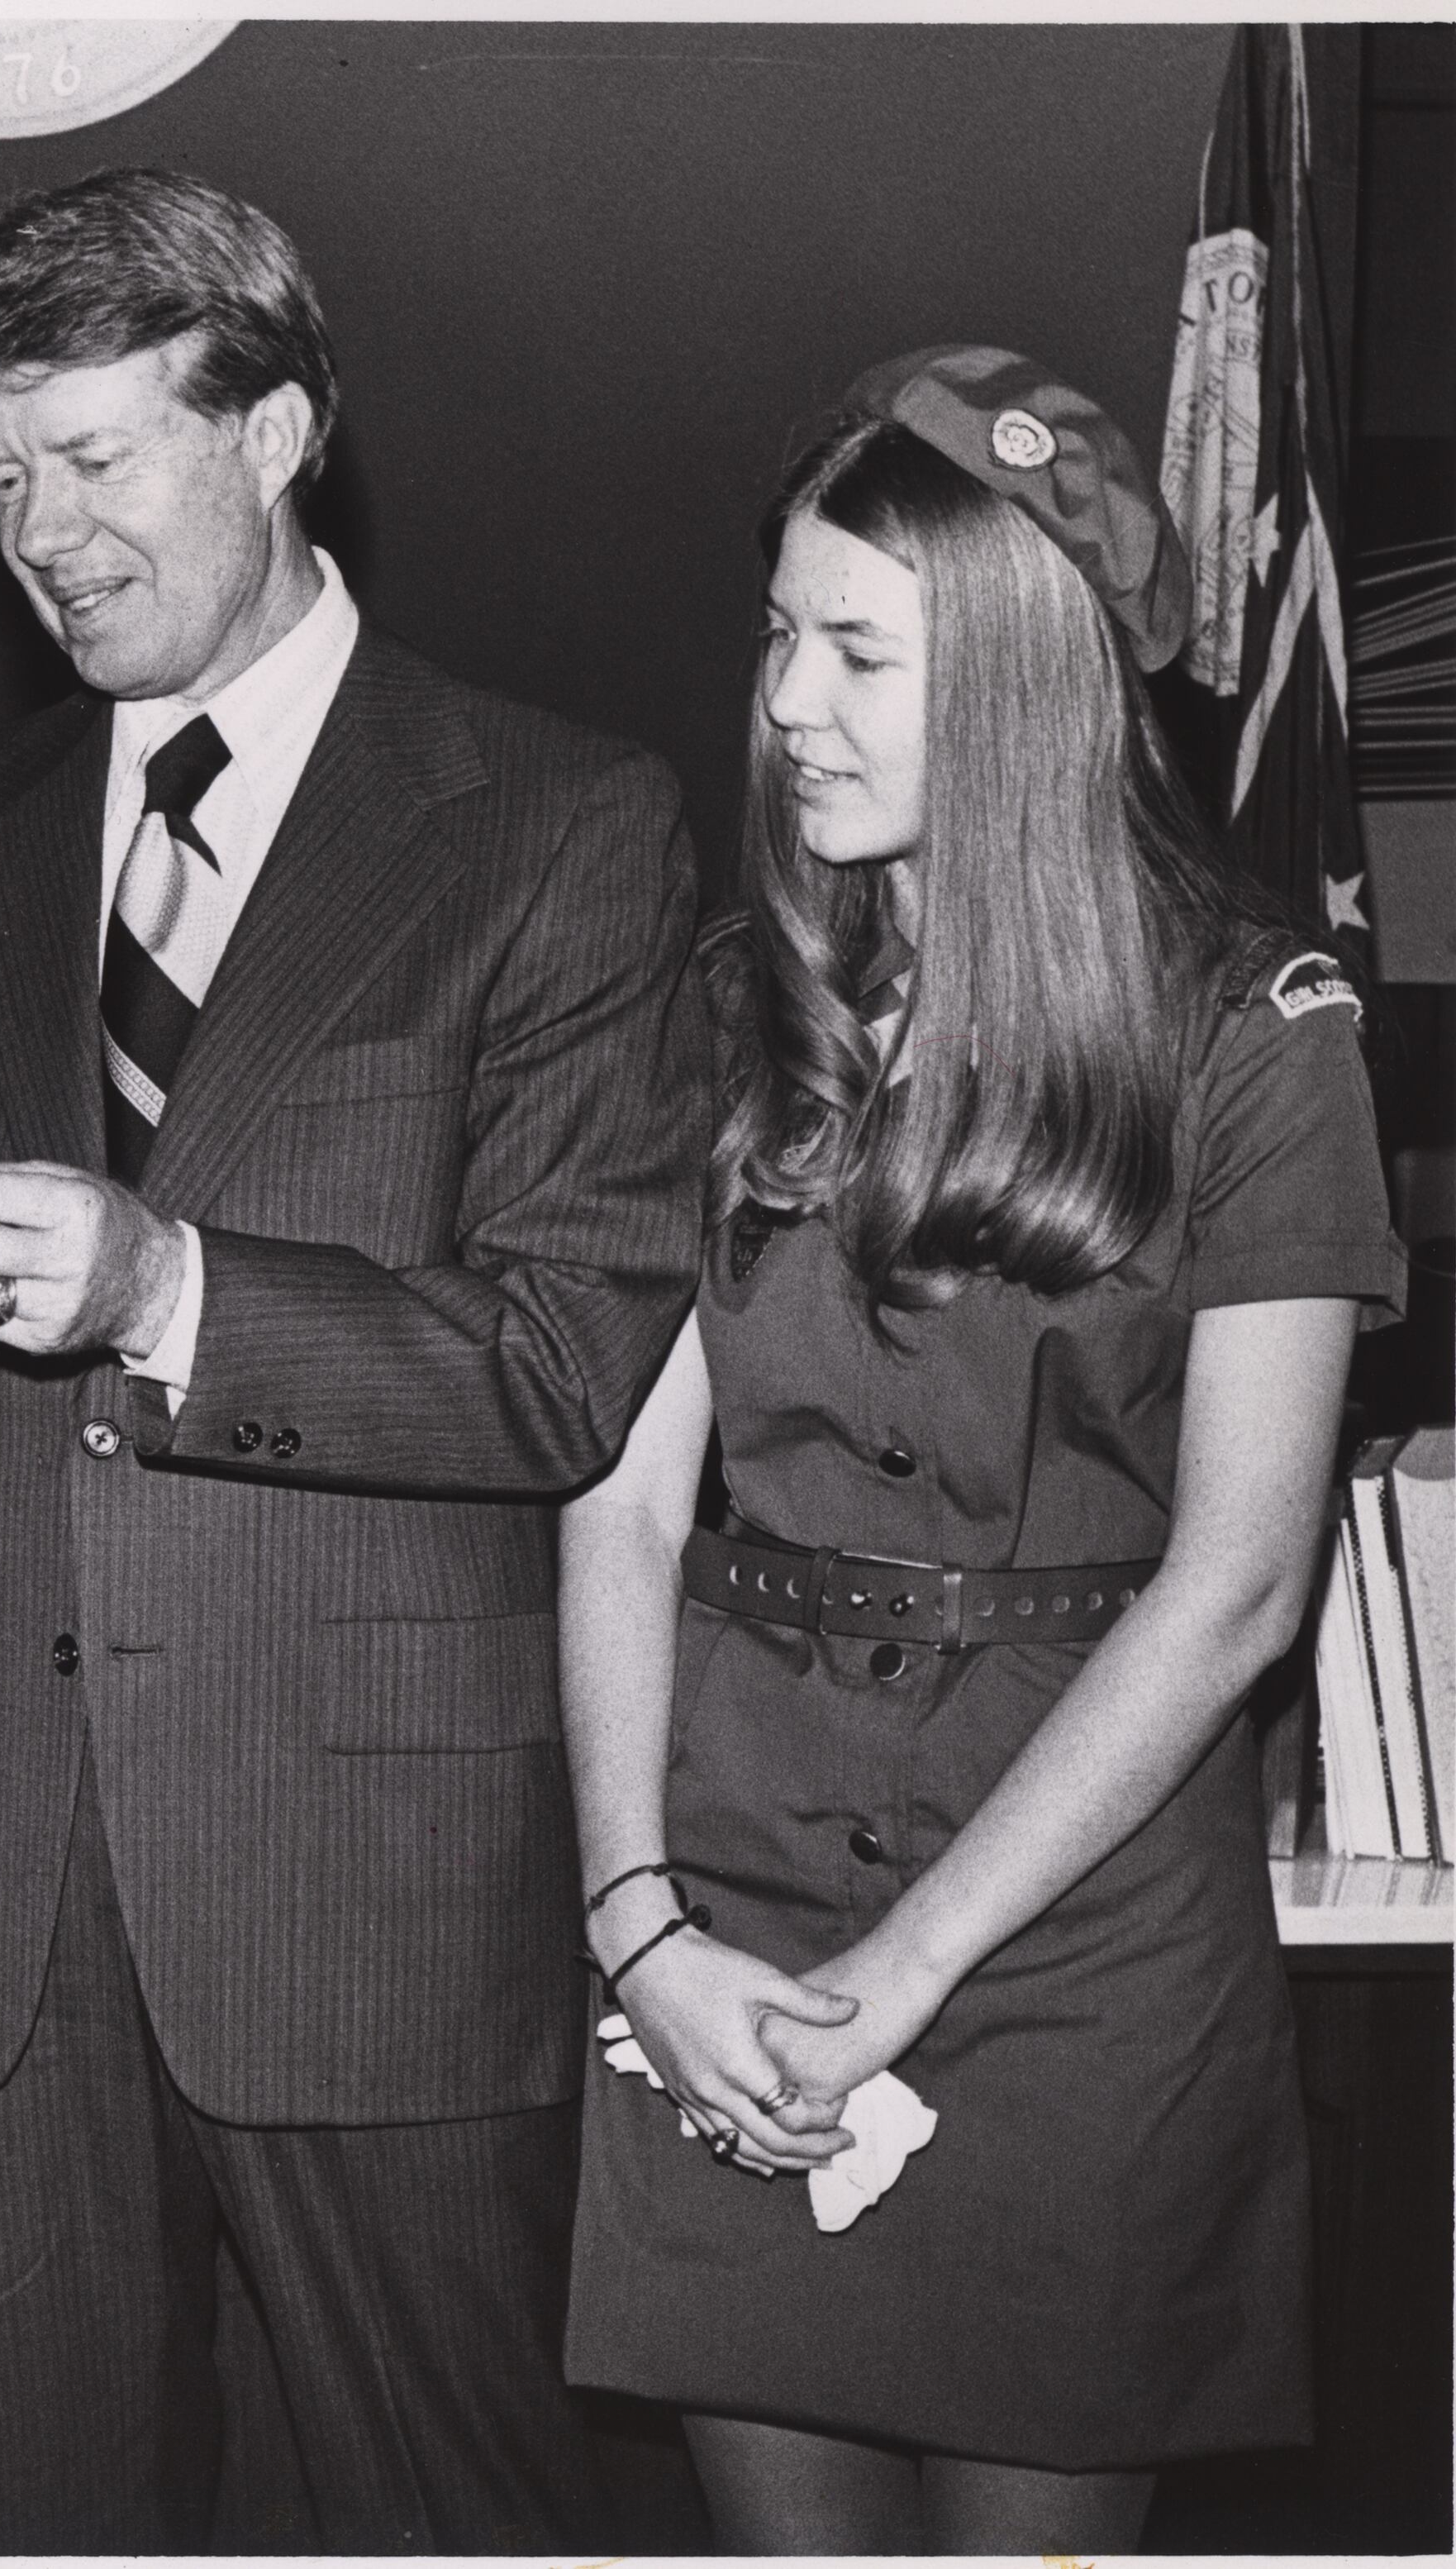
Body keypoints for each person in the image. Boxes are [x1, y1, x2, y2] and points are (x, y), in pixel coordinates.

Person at [0, 167, 711, 2551]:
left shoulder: (560, 825)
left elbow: (565, 1360)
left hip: (367, 1907)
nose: (39, 532)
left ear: (277, 432)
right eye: (2, 475)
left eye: (96, 457)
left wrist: (169, 1289)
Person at [558, 347, 1405, 2552]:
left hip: (1073, 1937)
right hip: (731, 1907)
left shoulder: (1251, 1039)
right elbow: (626, 1490)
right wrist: (641, 1920)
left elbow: (1236, 1586)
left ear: (1024, 687)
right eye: (776, 637)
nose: (785, 705)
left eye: (855, 651)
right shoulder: (743, 1004)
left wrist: (909, 1970)